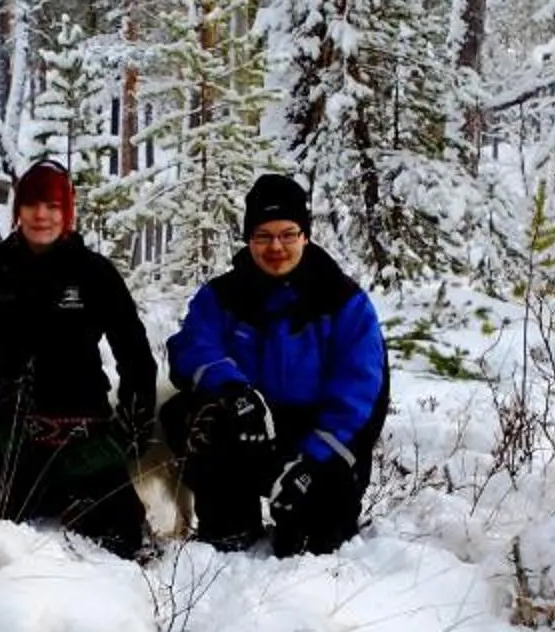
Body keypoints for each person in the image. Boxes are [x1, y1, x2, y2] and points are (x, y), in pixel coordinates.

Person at [0, 160, 158, 554]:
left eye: (53, 206)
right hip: (11, 434)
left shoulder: (94, 273)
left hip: (86, 435)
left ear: (67, 213)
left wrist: (128, 432)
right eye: (32, 204)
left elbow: (135, 354)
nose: (41, 215)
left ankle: (75, 497)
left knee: (124, 538)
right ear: (18, 210)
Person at [163, 172, 387, 553]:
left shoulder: (343, 301)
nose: (276, 247)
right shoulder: (223, 295)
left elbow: (360, 393)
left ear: (305, 236)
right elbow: (191, 346)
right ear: (249, 240)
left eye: (287, 234)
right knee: (186, 414)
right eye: (263, 236)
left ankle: (307, 518)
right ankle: (229, 521)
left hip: (321, 440)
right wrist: (233, 390)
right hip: (251, 430)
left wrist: (312, 464)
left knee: (309, 547)